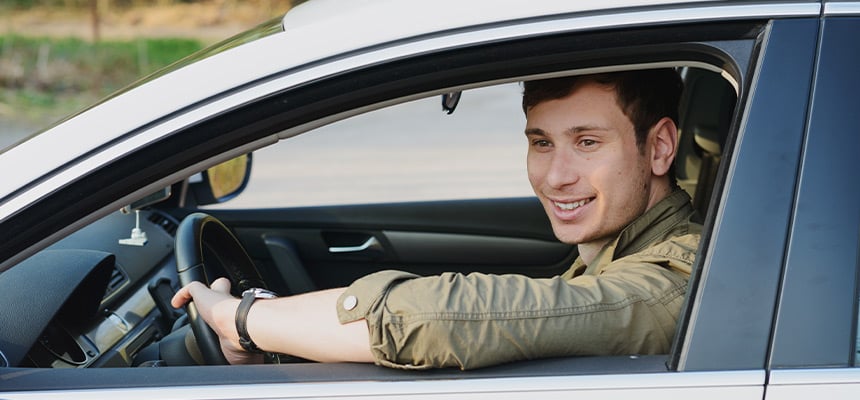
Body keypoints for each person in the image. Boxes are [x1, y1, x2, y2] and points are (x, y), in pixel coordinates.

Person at [171, 68, 702, 370]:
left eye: (587, 143)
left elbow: (438, 318)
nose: (556, 176)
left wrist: (243, 321)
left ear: (658, 148)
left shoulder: (674, 280)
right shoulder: (615, 255)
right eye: (541, 143)